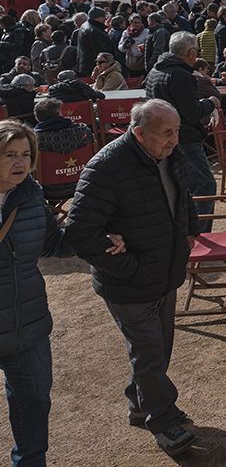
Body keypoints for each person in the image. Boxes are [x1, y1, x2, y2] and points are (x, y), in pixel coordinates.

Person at [65, 100, 200, 456]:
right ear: (140, 133)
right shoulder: (107, 167)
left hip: (165, 272)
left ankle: (140, 405)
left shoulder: (168, 153)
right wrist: (131, 269)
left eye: (177, 130)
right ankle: (163, 419)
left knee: (158, 349)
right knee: (150, 352)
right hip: (128, 283)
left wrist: (191, 229)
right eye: (167, 133)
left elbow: (183, 193)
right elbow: (79, 233)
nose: (175, 139)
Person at [0, 119, 117, 467]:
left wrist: (99, 238)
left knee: (34, 402)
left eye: (25, 154)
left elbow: (52, 244)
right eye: (8, 154)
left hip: (27, 323)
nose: (20, 162)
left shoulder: (32, 194)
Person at [144, 32, 217, 218]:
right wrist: (210, 103)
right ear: (191, 53)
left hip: (161, 137)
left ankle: (187, 229)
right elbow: (191, 113)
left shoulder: (156, 70)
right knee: (204, 184)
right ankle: (197, 232)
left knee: (180, 185)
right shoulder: (181, 75)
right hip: (183, 137)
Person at [76, 6, 111, 76]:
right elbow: (101, 51)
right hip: (94, 67)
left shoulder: (85, 26)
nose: (105, 19)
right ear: (97, 18)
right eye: (103, 16)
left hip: (86, 65)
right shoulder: (94, 31)